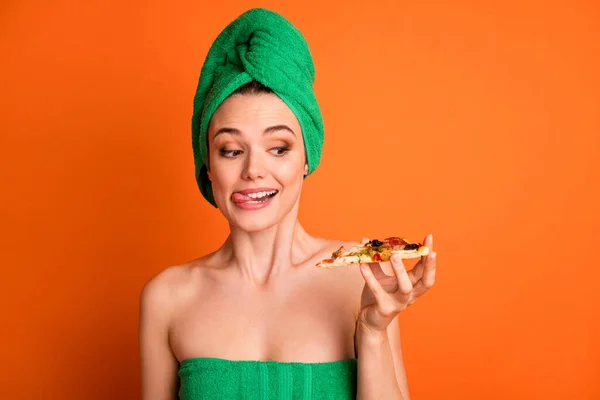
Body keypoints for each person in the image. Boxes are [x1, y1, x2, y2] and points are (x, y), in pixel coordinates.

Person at [138, 8, 437, 400]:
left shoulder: (361, 280)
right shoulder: (168, 298)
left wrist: (372, 330)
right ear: (208, 167)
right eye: (230, 150)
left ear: (306, 157)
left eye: (278, 148)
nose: (253, 170)